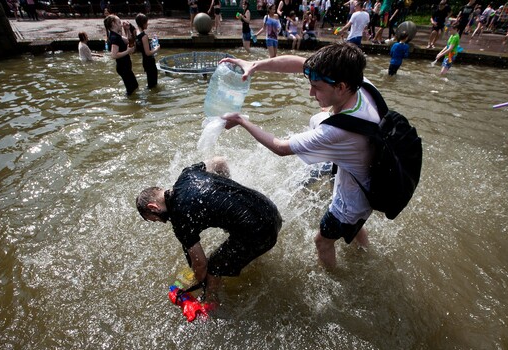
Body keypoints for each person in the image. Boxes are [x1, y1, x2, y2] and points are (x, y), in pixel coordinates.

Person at [220, 43, 379, 269]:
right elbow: (298, 63)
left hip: (354, 197)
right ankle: (365, 251)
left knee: (322, 241)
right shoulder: (361, 83)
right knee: (355, 224)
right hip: (366, 170)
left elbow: (281, 148)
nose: (311, 93)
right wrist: (255, 65)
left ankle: (336, 278)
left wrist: (241, 121)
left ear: (341, 87)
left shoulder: (337, 132)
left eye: (317, 87)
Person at [136, 157, 282, 296]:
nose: (161, 222)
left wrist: (196, 283)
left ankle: (211, 300)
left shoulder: (180, 220)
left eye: (155, 219)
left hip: (262, 233)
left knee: (214, 266)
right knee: (238, 235)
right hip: (270, 210)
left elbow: (201, 265)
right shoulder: (188, 173)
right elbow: (220, 162)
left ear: (153, 207)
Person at [104, 14, 138, 96]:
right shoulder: (114, 37)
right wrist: (127, 51)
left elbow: (129, 41)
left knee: (135, 86)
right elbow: (114, 55)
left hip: (125, 66)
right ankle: (130, 106)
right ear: (113, 24)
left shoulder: (117, 35)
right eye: (119, 22)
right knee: (130, 90)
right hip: (123, 67)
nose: (121, 24)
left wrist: (127, 29)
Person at [135, 13, 160, 90]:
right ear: (143, 23)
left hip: (144, 61)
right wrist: (156, 49)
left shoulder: (137, 34)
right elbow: (148, 53)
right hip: (149, 61)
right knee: (153, 84)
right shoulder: (144, 36)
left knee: (150, 81)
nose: (147, 24)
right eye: (146, 22)